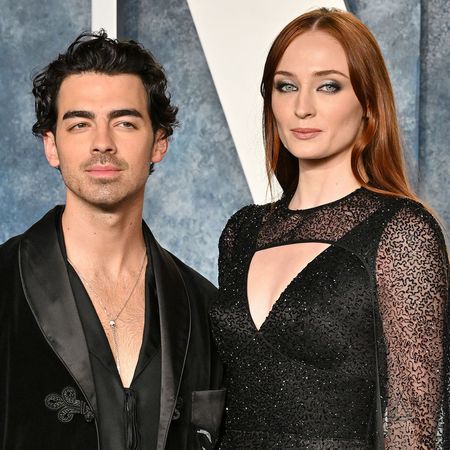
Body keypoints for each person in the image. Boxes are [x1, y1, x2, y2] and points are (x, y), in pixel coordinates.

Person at [210, 8, 449, 449]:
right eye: (286, 86)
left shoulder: (402, 232)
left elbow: (413, 425)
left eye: (328, 85)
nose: (303, 106)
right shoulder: (241, 233)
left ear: (369, 104)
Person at [0, 31, 225, 450]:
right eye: (80, 123)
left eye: (124, 122)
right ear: (52, 145)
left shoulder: (204, 307)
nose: (102, 143)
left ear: (159, 143)